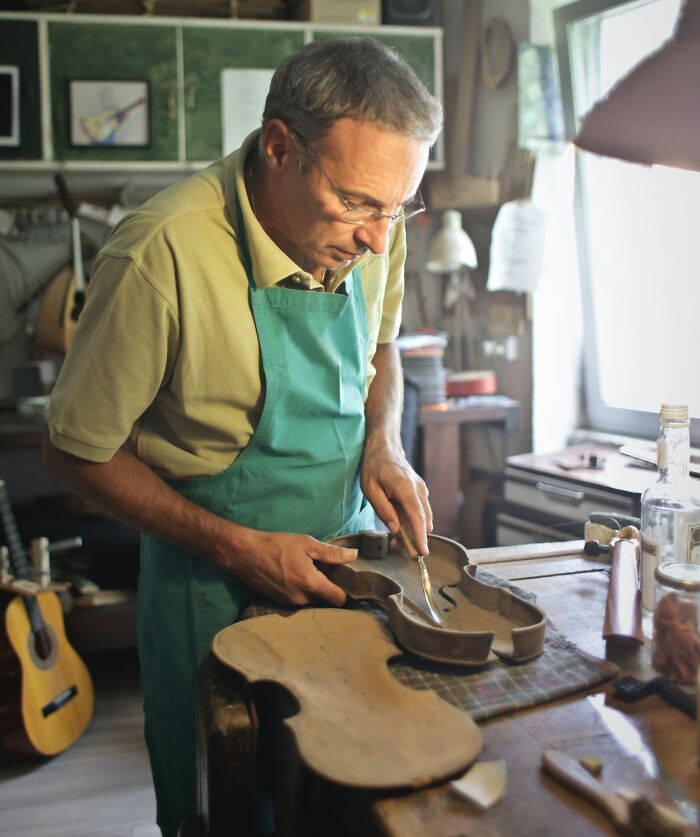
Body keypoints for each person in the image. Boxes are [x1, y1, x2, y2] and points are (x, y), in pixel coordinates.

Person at [43, 36, 443, 836]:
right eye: (359, 203)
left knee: (355, 797)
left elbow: (383, 346)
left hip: (347, 571)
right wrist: (236, 546)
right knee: (235, 811)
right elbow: (74, 450)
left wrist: (384, 442)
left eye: (398, 208)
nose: (376, 236)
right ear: (278, 148)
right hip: (213, 590)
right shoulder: (162, 253)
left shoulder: (377, 222)